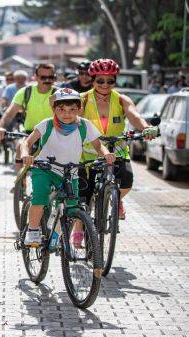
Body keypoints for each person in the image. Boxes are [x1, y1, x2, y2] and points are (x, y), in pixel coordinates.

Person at [20, 88, 115, 247]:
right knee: (40, 198)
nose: (67, 113)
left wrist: (106, 154)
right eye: (61, 109)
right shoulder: (47, 124)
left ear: (79, 109)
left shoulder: (85, 125)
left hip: (70, 172)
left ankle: (56, 236)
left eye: (72, 109)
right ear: (54, 110)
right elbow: (27, 143)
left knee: (71, 208)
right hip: (45, 168)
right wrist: (25, 154)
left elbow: (99, 146)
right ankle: (33, 231)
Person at [78, 59, 158, 220]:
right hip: (89, 153)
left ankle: (117, 199)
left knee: (127, 180)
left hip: (118, 150)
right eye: (100, 80)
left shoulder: (122, 99)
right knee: (84, 197)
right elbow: (74, 121)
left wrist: (145, 128)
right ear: (92, 80)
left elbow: (134, 116)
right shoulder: (82, 99)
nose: (105, 84)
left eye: (110, 81)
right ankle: (80, 231)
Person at [0, 64, 58, 172]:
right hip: (30, 132)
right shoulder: (26, 92)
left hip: (54, 133)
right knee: (20, 146)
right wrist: (1, 127)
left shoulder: (59, 94)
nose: (47, 80)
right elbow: (9, 114)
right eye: (43, 77)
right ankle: (19, 184)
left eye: (51, 77)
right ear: (36, 77)